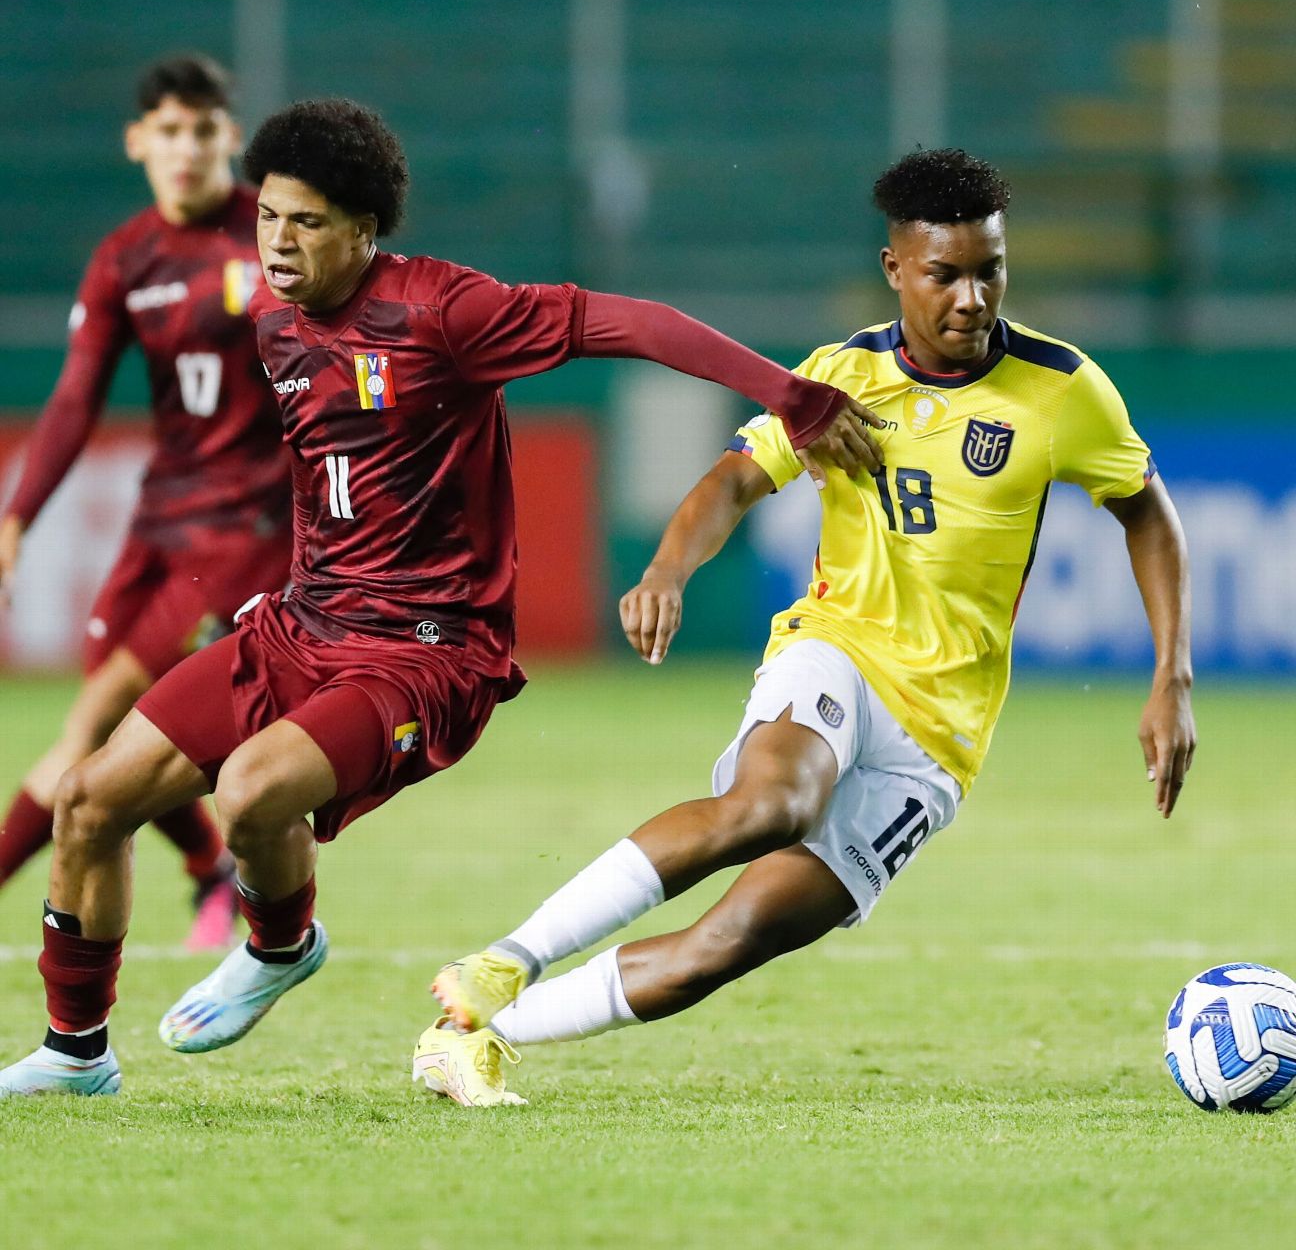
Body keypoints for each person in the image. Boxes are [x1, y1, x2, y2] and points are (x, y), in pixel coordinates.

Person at [0, 97, 877, 1098]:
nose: (279, 244)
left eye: (309, 223)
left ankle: (281, 945)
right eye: (269, 218)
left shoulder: (445, 312)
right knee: (88, 797)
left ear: (366, 230)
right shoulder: (273, 317)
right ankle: (77, 1052)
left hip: (426, 652)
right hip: (302, 623)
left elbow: (638, 322)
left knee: (250, 790)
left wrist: (791, 397)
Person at [414, 147, 1197, 1107]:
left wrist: (1172, 675)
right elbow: (737, 476)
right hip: (837, 648)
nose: (971, 298)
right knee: (768, 808)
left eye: (989, 270)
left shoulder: (1064, 390)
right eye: (944, 274)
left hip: (941, 736)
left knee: (730, 943)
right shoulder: (842, 377)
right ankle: (507, 959)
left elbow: (1145, 510)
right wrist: (667, 567)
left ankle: (473, 1036)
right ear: (895, 269)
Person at [0, 55, 292, 951]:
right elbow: (76, 397)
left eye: (204, 130)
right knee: (106, 743)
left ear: (229, 139)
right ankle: (210, 872)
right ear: (139, 141)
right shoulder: (126, 257)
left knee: (89, 733)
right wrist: (16, 518)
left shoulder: (275, 234)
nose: (187, 149)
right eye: (168, 130)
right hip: (157, 526)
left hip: (246, 533)